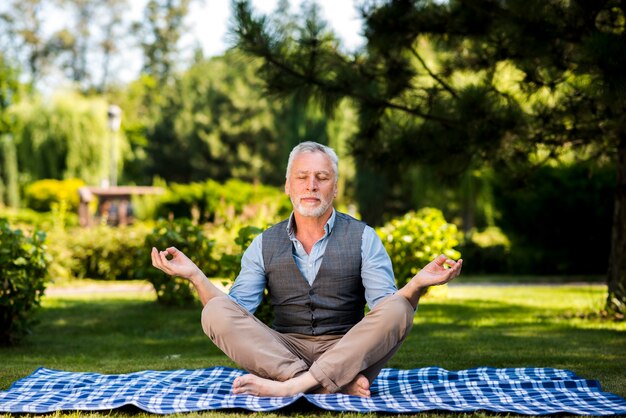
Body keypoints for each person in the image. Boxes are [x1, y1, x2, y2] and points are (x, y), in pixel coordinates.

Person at [151, 141, 462, 398]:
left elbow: (387, 312)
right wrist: (194, 275)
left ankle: (294, 387)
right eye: (302, 177)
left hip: (348, 347)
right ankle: (334, 384)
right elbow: (236, 312)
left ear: (335, 187)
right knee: (214, 312)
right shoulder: (263, 243)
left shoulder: (364, 238)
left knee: (399, 308)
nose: (311, 186)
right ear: (288, 185)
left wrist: (418, 285)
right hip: (285, 349)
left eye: (322, 177)